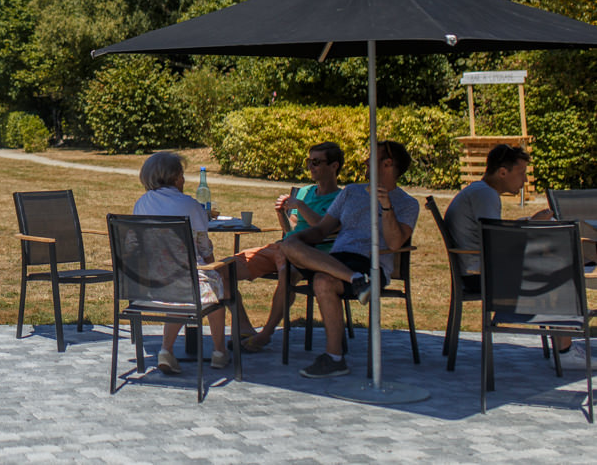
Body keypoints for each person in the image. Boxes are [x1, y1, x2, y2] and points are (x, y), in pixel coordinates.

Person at [280, 140, 420, 379]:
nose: (365, 161)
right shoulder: (352, 192)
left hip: (369, 263)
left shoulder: (407, 203)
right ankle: (357, 280)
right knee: (289, 244)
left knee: (323, 282)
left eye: (371, 157)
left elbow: (396, 244)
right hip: (337, 259)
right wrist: (300, 237)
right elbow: (322, 230)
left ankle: (334, 358)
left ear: (387, 163)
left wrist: (386, 207)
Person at [444, 144, 586, 368]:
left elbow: (494, 232)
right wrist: (532, 230)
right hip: (481, 275)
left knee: (557, 264)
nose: (525, 180)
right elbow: (495, 241)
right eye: (521, 173)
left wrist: (529, 222)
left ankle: (564, 344)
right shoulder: (485, 194)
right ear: (502, 172)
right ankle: (565, 350)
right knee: (562, 268)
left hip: (477, 270)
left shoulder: (478, 191)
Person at [232, 142, 344, 352]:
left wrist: (300, 206)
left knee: (288, 274)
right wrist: (281, 213)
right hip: (283, 248)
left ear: (334, 166)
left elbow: (325, 230)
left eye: (316, 162)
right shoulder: (304, 192)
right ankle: (245, 328)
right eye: (308, 161)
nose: (310, 166)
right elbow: (290, 227)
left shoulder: (341, 198)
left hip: (312, 254)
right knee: (226, 270)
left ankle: (266, 334)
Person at [133, 151, 231, 373]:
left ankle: (166, 350)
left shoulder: (141, 204)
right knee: (218, 287)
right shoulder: (189, 205)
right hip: (184, 284)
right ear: (176, 177)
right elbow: (204, 247)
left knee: (179, 287)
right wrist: (213, 268)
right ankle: (219, 351)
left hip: (148, 286)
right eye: (182, 175)